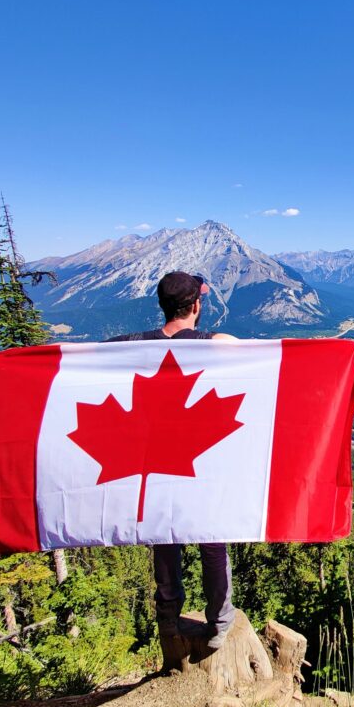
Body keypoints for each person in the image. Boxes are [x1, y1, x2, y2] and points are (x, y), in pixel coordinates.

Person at [106, 271, 237, 650]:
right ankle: (219, 623)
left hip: (153, 462)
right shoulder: (211, 343)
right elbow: (245, 352)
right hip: (200, 462)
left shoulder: (130, 345)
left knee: (163, 537)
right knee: (213, 542)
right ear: (197, 305)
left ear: (162, 306)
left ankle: (168, 616)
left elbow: (90, 359)